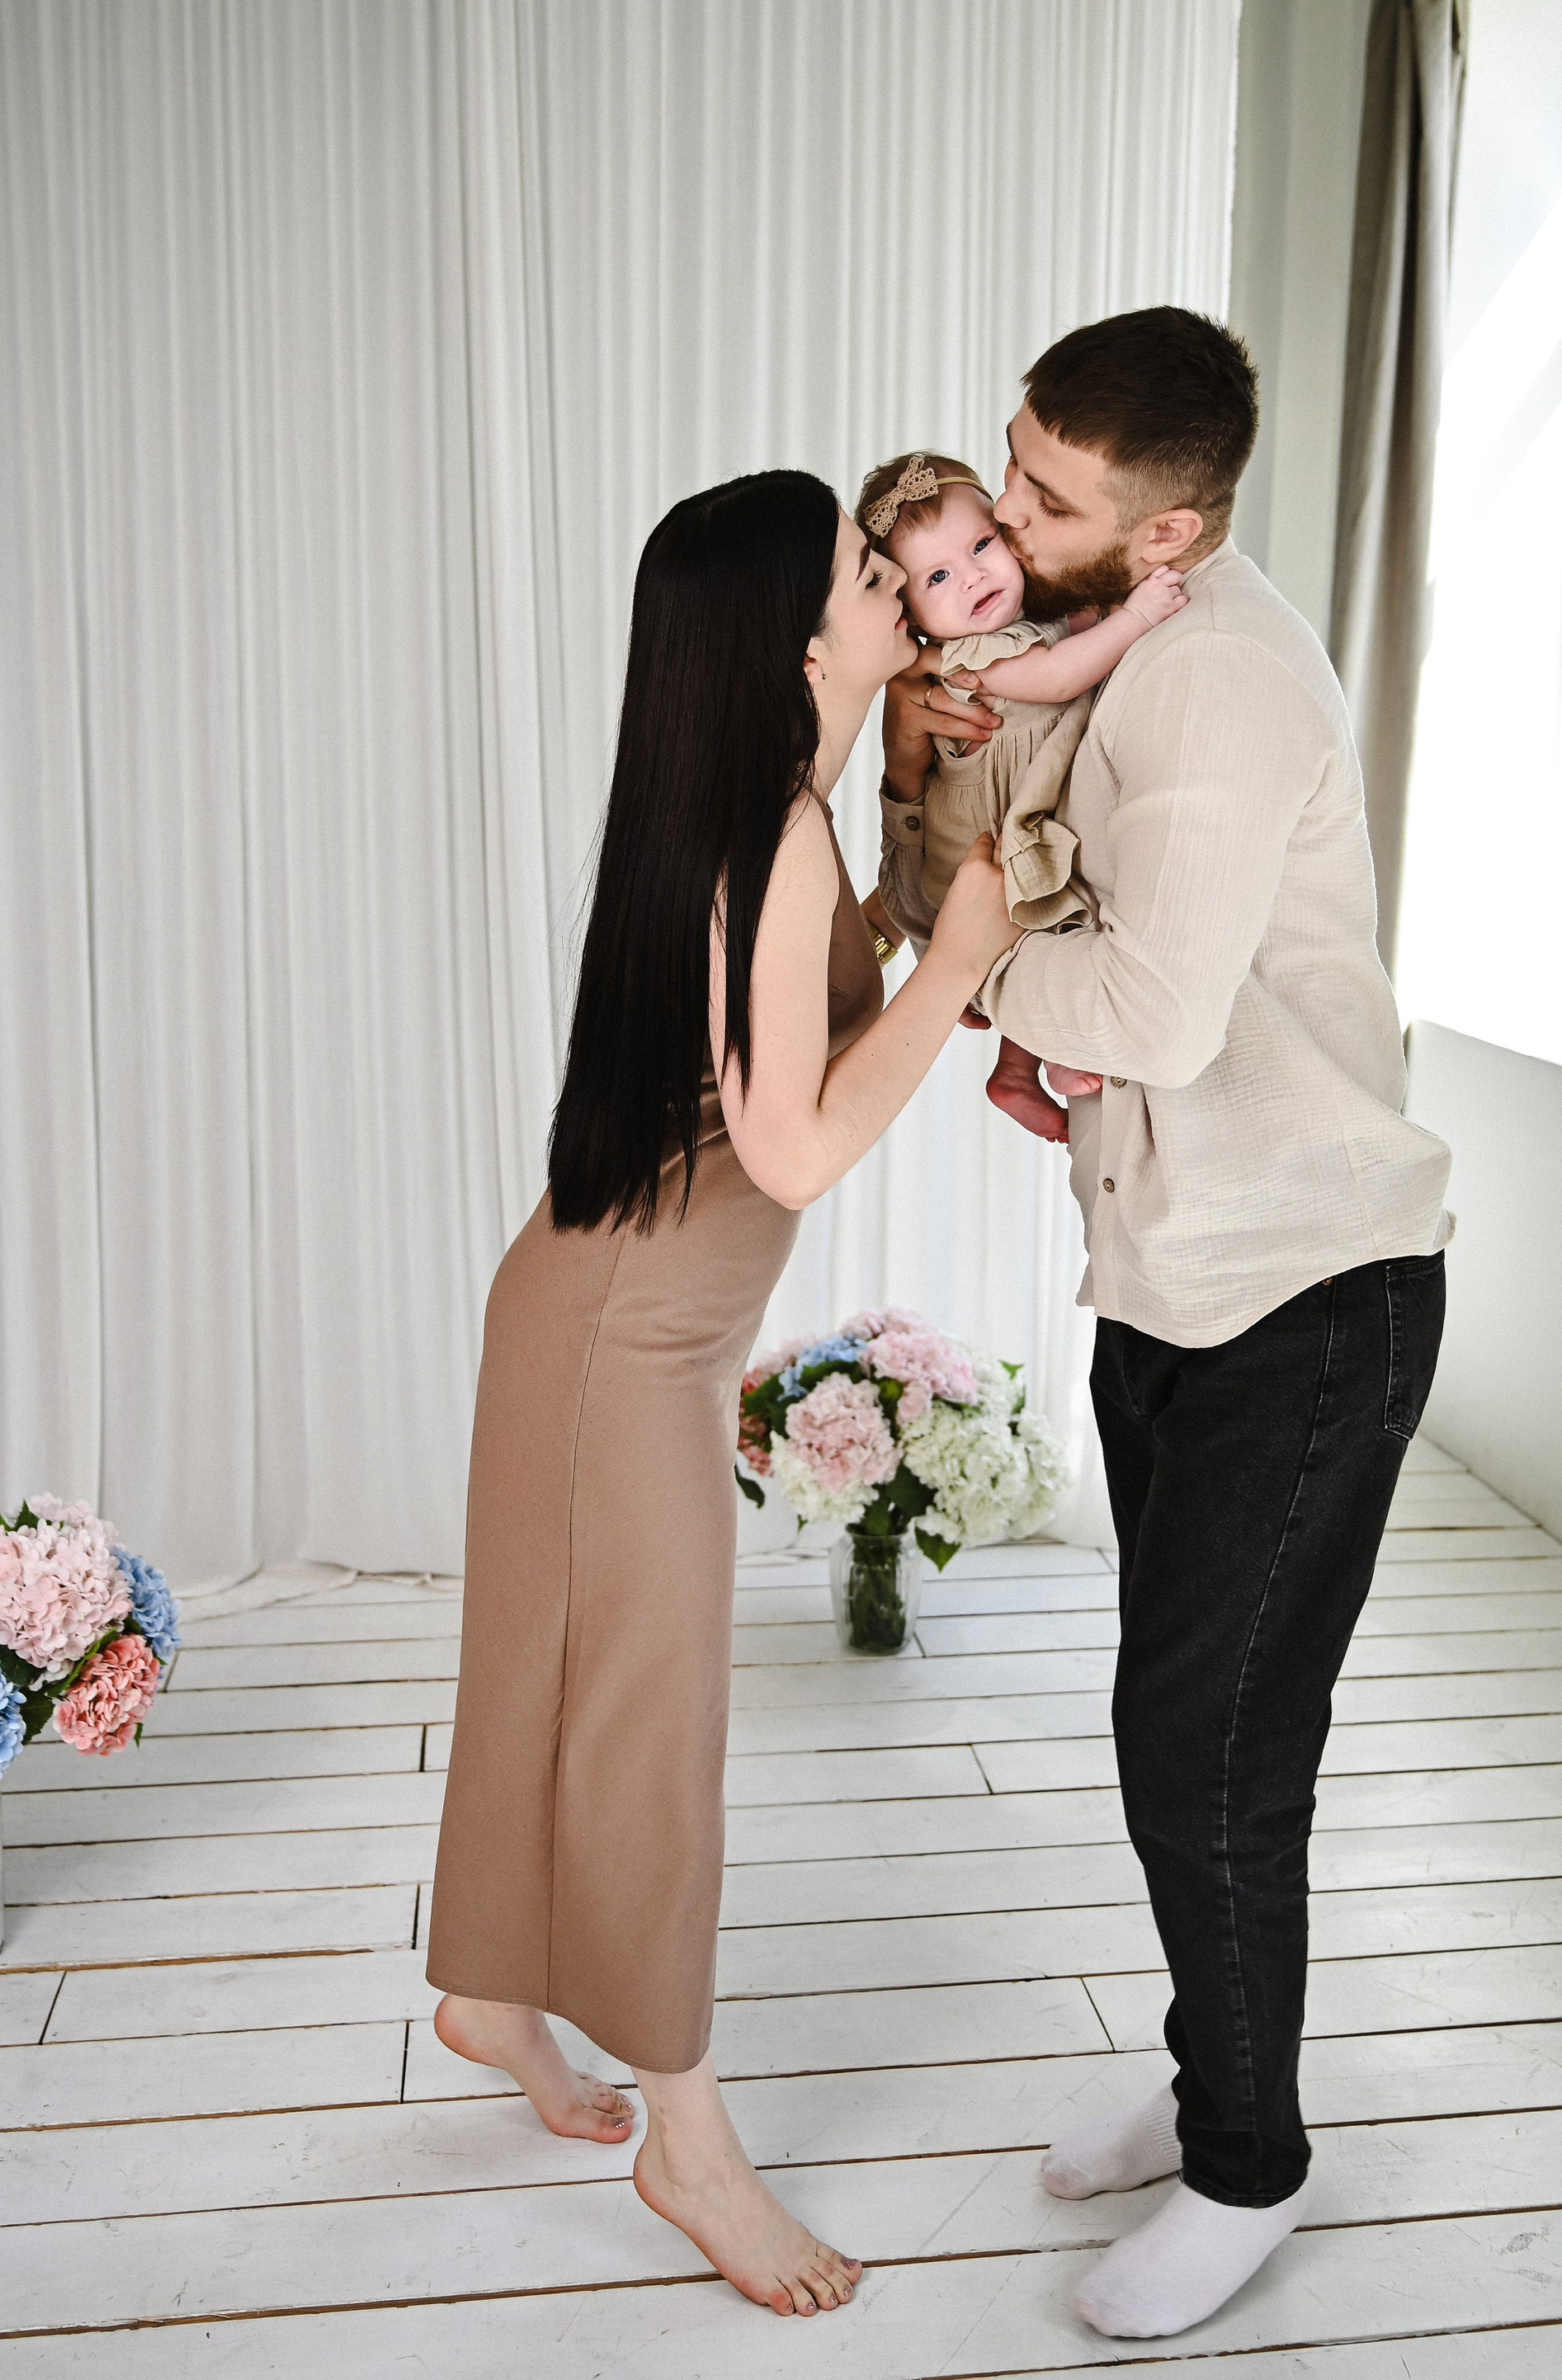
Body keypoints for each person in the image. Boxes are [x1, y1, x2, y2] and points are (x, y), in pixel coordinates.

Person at [880, 307, 1453, 2342]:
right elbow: (1025, 880)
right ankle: (1222, 2061)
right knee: (1183, 1724)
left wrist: (953, 980)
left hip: (1307, 1294)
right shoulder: (1105, 634)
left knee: (1207, 1747)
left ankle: (1249, 2163)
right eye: (1012, 456)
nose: (1001, 510)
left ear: (1170, 529)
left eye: (1045, 495)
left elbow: (1140, 1008)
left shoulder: (1212, 680)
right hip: (1179, 1277)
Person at [426, 469, 1019, 2318]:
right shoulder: (769, 831)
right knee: (648, 1723)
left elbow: (785, 1036)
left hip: (586, 1311)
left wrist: (905, 796)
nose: (896, 581)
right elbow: (795, 1142)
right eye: (863, 568)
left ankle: (488, 1993)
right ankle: (688, 2138)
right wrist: (962, 953)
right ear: (797, 635)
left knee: (550, 1671)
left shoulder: (774, 809)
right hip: (621, 1347)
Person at [860, 446, 1184, 1143]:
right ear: (912, 614)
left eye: (981, 545)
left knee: (1040, 925)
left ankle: (1014, 1072)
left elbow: (1067, 641)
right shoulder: (965, 658)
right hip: (972, 858)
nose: (973, 575)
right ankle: (1056, 1051)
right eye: (938, 576)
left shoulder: (1016, 626)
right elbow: (1060, 676)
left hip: (1004, 831)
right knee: (1048, 926)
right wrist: (1136, 616)